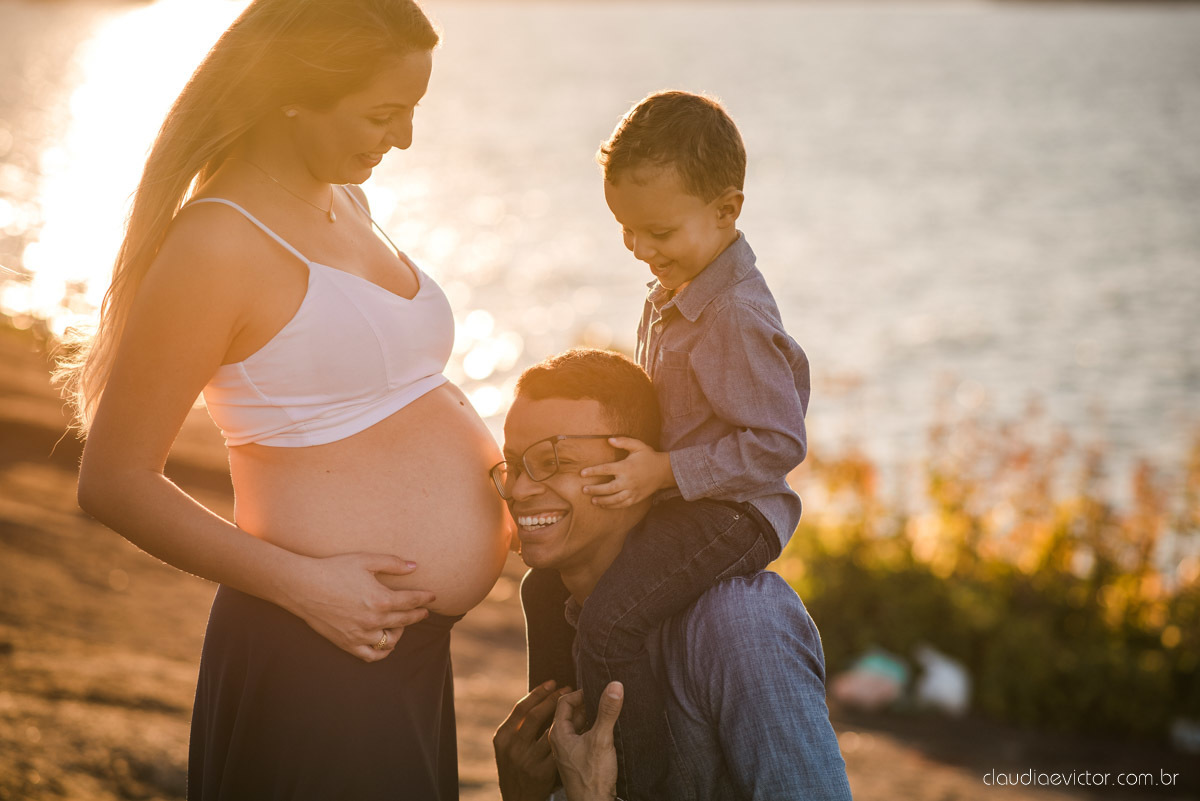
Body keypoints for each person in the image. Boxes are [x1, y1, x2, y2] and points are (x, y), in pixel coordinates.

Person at [56, 1, 511, 798]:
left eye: (412, 110)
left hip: (400, 651)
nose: (405, 138)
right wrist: (307, 587)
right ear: (293, 95)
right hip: (314, 652)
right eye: (383, 113)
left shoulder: (349, 201)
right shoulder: (216, 242)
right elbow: (115, 480)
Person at [521, 91, 811, 799]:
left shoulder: (732, 313)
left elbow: (777, 442)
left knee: (610, 622)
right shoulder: (675, 286)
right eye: (626, 230)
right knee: (544, 586)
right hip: (678, 495)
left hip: (730, 511)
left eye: (658, 232)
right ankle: (555, 742)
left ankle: (634, 781)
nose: (641, 250)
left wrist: (666, 471)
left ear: (727, 210)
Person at [492, 349, 851, 800]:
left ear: (634, 466)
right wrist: (527, 796)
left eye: (554, 462)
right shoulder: (552, 605)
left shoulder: (739, 624)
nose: (519, 490)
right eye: (513, 465)